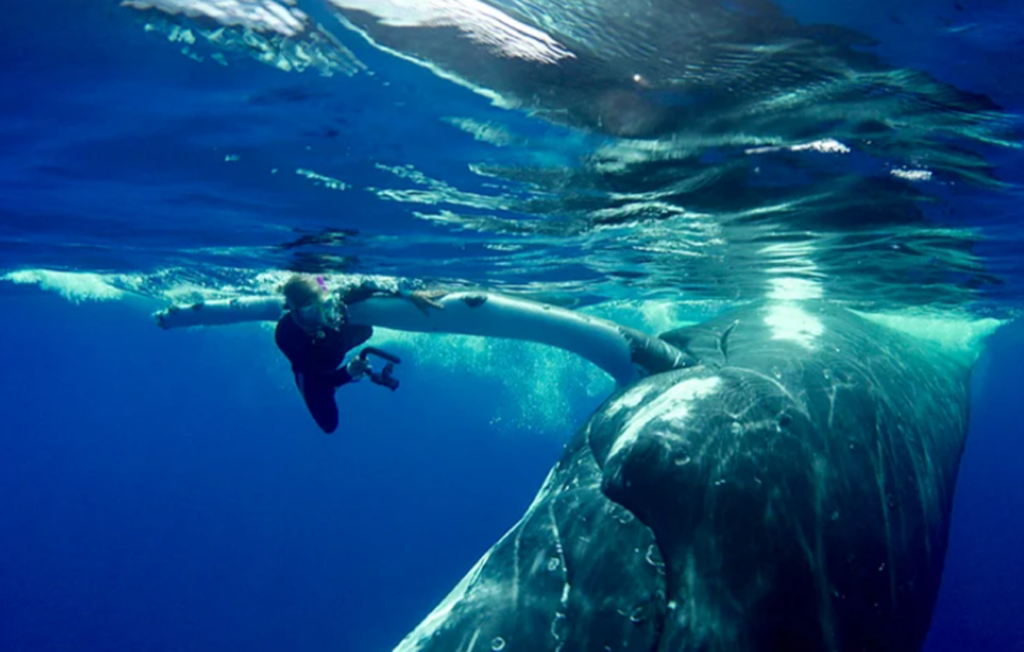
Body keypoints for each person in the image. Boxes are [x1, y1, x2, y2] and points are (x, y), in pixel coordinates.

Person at [274, 273, 443, 433]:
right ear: (293, 311)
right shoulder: (289, 337)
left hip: (340, 340)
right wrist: (346, 373)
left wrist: (410, 294)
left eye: (325, 305)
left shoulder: (336, 302)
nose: (321, 317)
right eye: (310, 311)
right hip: (316, 365)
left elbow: (372, 283)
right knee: (328, 423)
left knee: (365, 329)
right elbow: (317, 379)